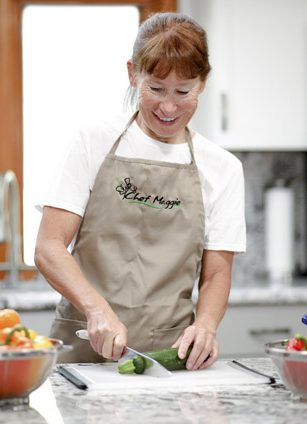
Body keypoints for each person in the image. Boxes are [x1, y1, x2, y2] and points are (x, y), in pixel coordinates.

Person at [34, 12, 246, 370]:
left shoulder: (223, 167)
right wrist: (96, 309)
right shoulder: (92, 142)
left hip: (169, 359)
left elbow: (216, 274)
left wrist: (206, 325)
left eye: (183, 92)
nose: (168, 107)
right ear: (133, 73)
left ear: (203, 83)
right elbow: (49, 247)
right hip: (84, 351)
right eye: (155, 89)